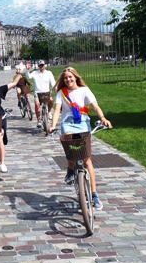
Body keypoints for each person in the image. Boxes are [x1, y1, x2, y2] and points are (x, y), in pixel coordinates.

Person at [48, 67, 112, 210]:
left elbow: (95, 106)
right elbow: (57, 110)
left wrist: (103, 118)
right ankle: (70, 170)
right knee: (71, 150)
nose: (68, 80)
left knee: (87, 159)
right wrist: (53, 125)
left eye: (70, 77)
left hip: (83, 124)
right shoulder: (61, 93)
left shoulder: (84, 90)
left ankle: (94, 194)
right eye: (65, 78)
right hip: (68, 124)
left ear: (76, 77)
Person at [25, 60, 56, 128]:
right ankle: (39, 120)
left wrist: (54, 87)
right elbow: (29, 76)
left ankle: (49, 111)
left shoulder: (49, 73)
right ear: (38, 66)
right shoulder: (35, 73)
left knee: (51, 100)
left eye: (42, 65)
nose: (41, 67)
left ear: (45, 65)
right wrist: (27, 70)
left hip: (46, 92)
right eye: (40, 65)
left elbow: (53, 82)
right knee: (37, 104)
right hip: (38, 93)